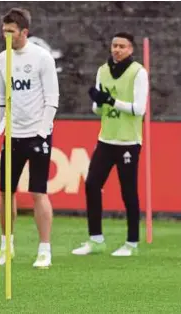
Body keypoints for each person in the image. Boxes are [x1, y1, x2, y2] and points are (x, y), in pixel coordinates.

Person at [0, 8, 59, 268]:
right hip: (13, 136)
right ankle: (7, 246)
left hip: (38, 135)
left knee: (39, 192)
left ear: (24, 32)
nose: (6, 35)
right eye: (4, 30)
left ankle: (44, 249)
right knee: (6, 192)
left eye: (11, 31)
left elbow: (52, 100)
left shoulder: (42, 58)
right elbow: (0, 101)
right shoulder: (2, 58)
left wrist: (42, 132)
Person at [72, 32, 148, 257]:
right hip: (106, 139)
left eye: (122, 46)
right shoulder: (102, 71)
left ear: (131, 50)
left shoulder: (138, 72)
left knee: (128, 192)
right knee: (92, 185)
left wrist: (111, 100)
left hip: (128, 142)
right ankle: (96, 240)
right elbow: (98, 110)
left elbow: (139, 109)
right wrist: (97, 101)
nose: (117, 50)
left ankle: (131, 242)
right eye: (114, 45)